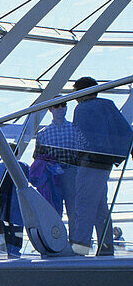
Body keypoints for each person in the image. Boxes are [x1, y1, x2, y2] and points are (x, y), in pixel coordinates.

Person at [70, 78, 132, 255]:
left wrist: (81, 156)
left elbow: (80, 137)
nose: (75, 97)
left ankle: (80, 248)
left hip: (89, 163)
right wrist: (116, 156)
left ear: (83, 92)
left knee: (84, 204)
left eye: (76, 92)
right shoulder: (107, 105)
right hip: (104, 164)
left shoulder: (82, 109)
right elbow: (125, 131)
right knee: (100, 207)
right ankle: (106, 248)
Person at [33, 101, 81, 231]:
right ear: (51, 109)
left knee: (74, 211)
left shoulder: (75, 129)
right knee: (54, 211)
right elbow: (38, 157)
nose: (60, 108)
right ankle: (58, 243)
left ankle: (74, 244)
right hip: (53, 177)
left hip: (72, 173)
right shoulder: (43, 133)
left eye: (63, 105)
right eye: (57, 106)